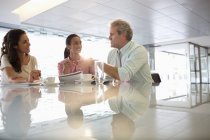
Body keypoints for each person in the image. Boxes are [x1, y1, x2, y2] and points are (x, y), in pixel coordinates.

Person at [103, 19, 153, 83]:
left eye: (112, 34)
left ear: (123, 34)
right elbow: (108, 79)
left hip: (141, 91)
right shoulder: (111, 54)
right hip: (123, 91)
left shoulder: (138, 50)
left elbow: (124, 76)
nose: (109, 38)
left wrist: (99, 65)